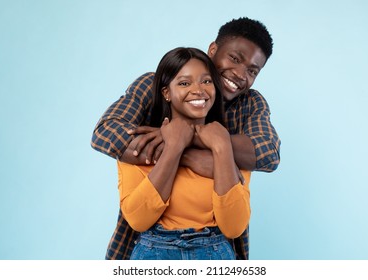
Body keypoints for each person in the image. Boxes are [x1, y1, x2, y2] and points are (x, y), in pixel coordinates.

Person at [91, 17, 281, 260]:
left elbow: (267, 154)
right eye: (234, 58)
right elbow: (106, 132)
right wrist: (184, 149)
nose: (240, 74)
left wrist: (188, 140)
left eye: (252, 70)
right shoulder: (156, 83)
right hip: (148, 243)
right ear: (213, 49)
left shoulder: (250, 104)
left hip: (217, 247)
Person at [118, 47, 251, 260]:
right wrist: (174, 148)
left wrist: (222, 148)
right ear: (166, 93)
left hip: (215, 255)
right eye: (184, 83)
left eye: (206, 81)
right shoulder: (143, 144)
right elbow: (138, 219)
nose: (198, 90)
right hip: (153, 255)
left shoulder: (229, 144)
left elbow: (234, 227)